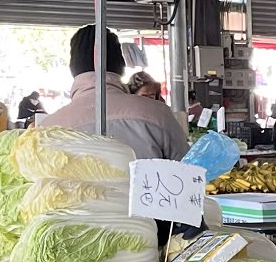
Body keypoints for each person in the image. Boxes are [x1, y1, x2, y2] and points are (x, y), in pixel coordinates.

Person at [43, 26, 188, 161]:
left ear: (73, 69)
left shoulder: (47, 129)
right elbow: (188, 167)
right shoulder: (157, 113)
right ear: (121, 65)